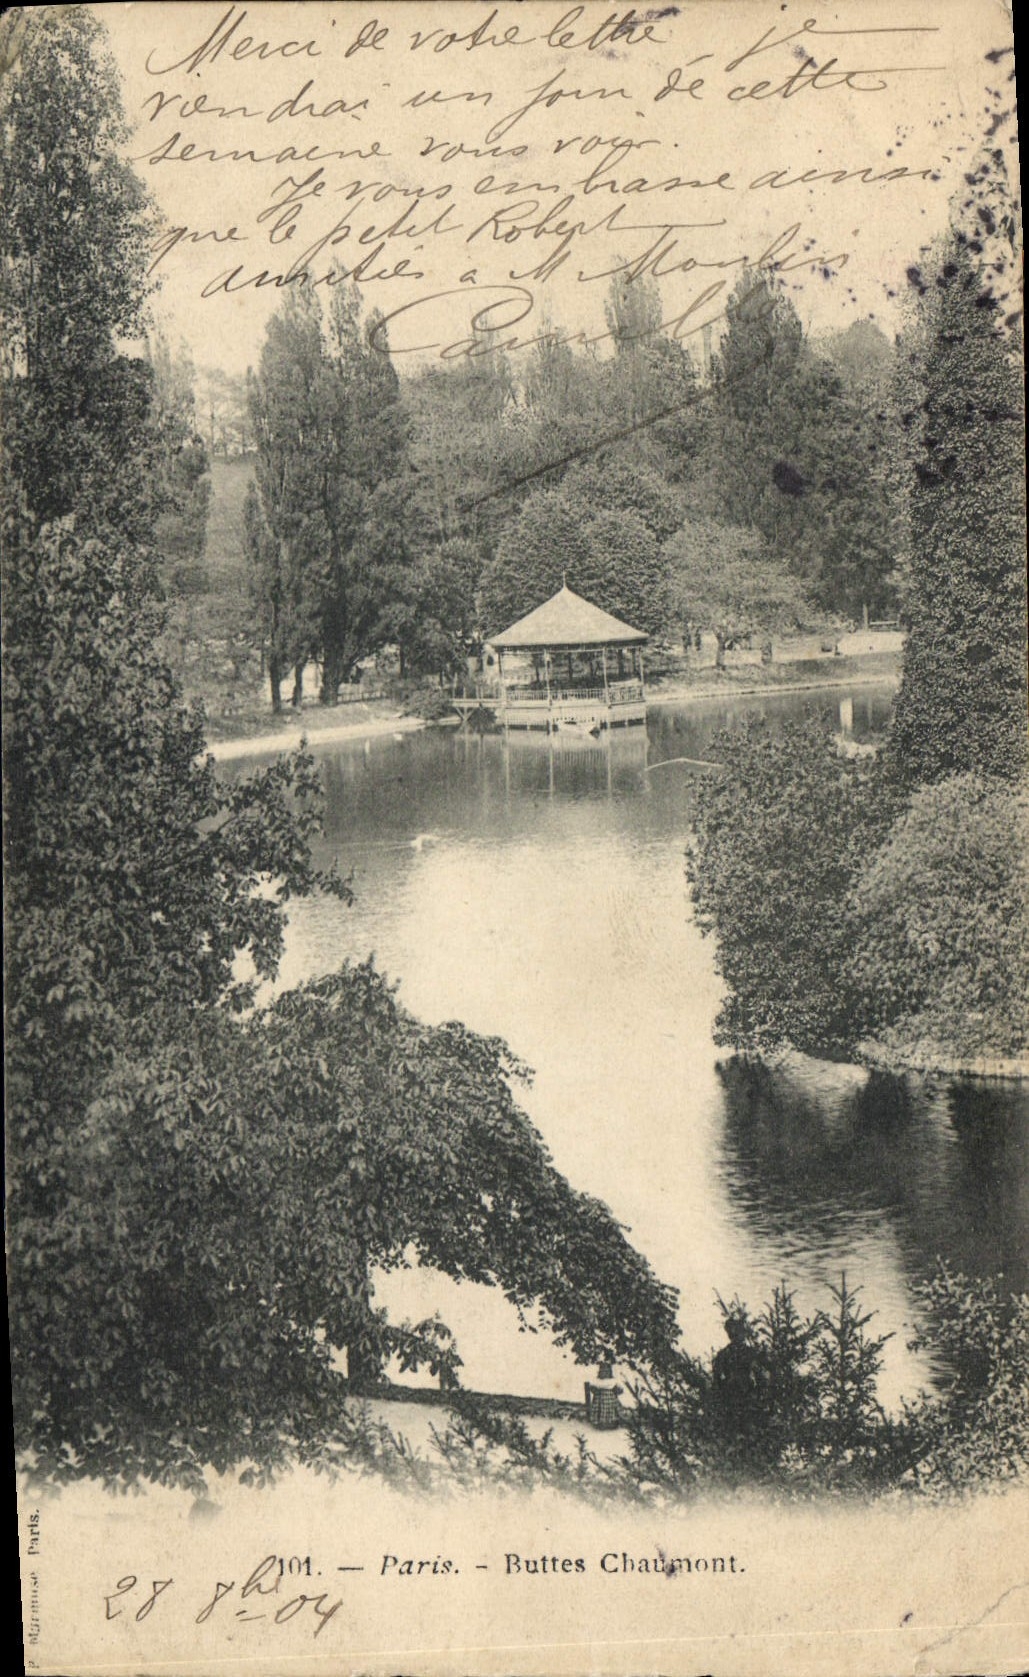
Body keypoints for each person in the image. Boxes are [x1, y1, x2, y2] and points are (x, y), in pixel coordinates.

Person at [585, 1361, 623, 1429]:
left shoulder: (612, 1381)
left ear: (610, 1372)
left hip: (610, 1399)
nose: (605, 1373)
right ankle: (601, 1423)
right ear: (599, 1372)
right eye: (602, 1371)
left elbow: (619, 1389)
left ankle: (611, 1423)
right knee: (599, 1410)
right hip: (599, 1399)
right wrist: (594, 1390)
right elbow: (593, 1387)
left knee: (611, 1411)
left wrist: (618, 1390)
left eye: (607, 1372)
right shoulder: (598, 1381)